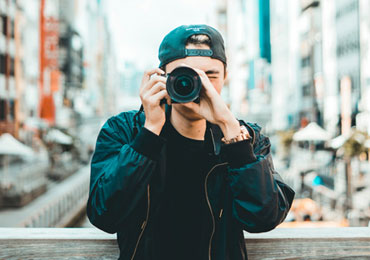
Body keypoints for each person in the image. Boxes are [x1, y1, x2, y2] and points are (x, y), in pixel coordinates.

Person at [87, 24, 295, 260]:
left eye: (210, 76)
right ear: (161, 77)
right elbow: (104, 215)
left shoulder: (247, 138)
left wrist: (231, 131)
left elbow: (262, 219)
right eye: (186, 76)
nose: (198, 85)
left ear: (225, 78)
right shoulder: (124, 131)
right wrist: (149, 132)